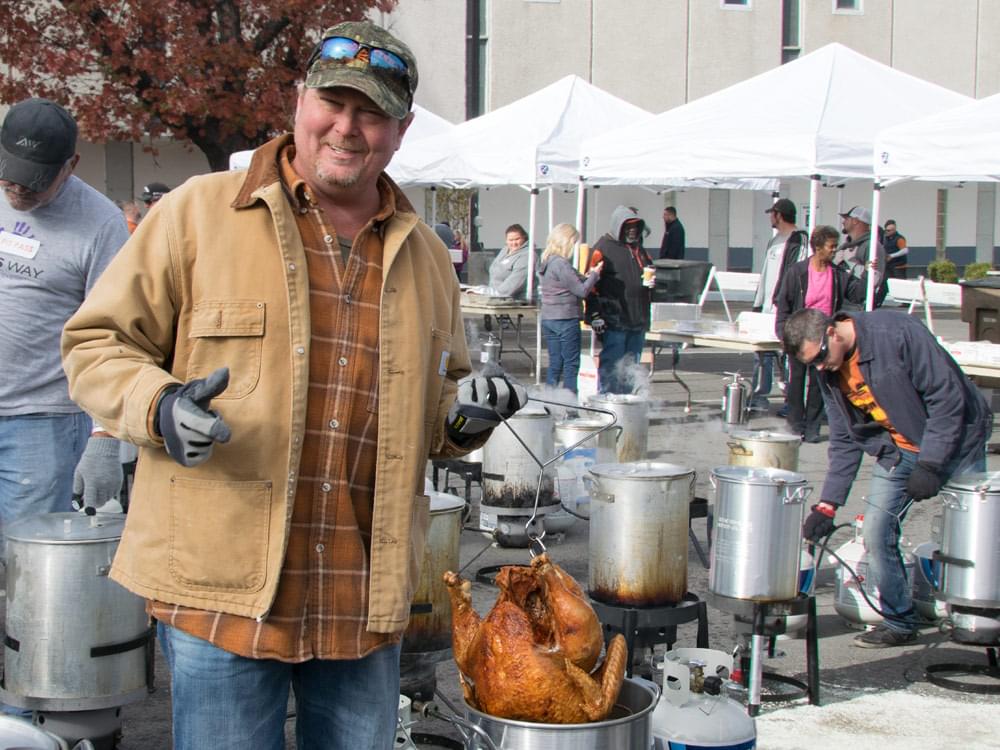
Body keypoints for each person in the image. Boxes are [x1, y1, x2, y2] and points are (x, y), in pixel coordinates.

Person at [61, 20, 526, 749]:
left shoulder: (429, 256)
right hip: (223, 593)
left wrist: (462, 422)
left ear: (399, 132)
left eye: (371, 113)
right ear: (298, 101)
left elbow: (437, 405)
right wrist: (156, 405)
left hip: (362, 601)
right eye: (333, 104)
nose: (347, 128)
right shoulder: (197, 215)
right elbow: (97, 343)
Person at [783, 307, 992, 648]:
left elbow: (947, 399)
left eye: (820, 356)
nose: (820, 367)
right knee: (877, 531)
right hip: (899, 450)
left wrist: (932, 464)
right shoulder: (830, 371)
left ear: (833, 332)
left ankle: (981, 616)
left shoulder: (897, 333)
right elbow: (844, 436)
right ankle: (899, 620)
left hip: (957, 441)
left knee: (975, 538)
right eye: (811, 364)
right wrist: (828, 504)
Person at [0, 97, 129, 546]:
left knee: (21, 560)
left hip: (41, 421)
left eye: (34, 183)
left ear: (70, 165)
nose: (17, 191)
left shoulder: (100, 223)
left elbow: (116, 331)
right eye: (10, 176)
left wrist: (105, 437)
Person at [774, 225, 863, 443]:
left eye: (835, 247)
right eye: (831, 247)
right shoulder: (798, 272)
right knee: (796, 381)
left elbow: (858, 294)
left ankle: (812, 428)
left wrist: (872, 273)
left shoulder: (838, 274)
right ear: (818, 247)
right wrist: (783, 332)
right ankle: (795, 426)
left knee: (818, 383)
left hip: (825, 336)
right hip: (800, 332)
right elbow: (782, 302)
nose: (834, 251)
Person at [586, 206, 654, 394]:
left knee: (631, 367)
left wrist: (653, 284)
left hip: (637, 319)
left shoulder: (640, 250)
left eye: (635, 227)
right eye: (628, 227)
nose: (632, 231)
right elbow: (590, 284)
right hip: (613, 319)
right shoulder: (603, 248)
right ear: (619, 227)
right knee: (612, 365)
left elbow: (649, 273)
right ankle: (607, 406)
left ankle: (627, 406)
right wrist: (594, 314)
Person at [750, 198, 808, 412]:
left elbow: (796, 273)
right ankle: (759, 397)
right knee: (762, 354)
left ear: (779, 215)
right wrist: (758, 302)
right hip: (766, 308)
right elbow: (766, 273)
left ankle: (789, 401)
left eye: (772, 213)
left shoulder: (799, 240)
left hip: (785, 309)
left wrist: (784, 301)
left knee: (786, 357)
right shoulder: (774, 240)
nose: (770, 218)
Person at [537, 223, 603, 395]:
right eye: (573, 242)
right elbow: (581, 290)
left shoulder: (546, 262)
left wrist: (585, 277)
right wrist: (595, 274)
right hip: (565, 318)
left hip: (548, 318)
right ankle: (570, 407)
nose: (574, 247)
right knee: (571, 365)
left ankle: (549, 402)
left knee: (555, 363)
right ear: (566, 242)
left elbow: (570, 281)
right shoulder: (561, 264)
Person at [835, 205, 888, 308]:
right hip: (843, 303)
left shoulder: (872, 247)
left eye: (846, 218)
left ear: (855, 221)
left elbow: (873, 280)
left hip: (857, 307)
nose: (843, 222)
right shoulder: (845, 246)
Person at [488, 223, 532, 298]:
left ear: (524, 238)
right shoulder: (505, 250)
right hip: (495, 296)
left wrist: (495, 293)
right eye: (510, 240)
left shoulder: (527, 255)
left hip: (516, 301)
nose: (514, 243)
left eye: (517, 239)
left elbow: (515, 282)